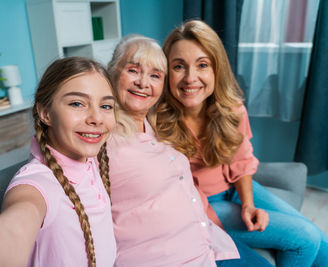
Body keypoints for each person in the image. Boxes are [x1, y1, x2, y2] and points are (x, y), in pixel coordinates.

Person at [156, 19, 328, 267]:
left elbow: (242, 162)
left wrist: (248, 204)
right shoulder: (157, 122)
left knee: (320, 242)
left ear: (217, 69)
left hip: (236, 188)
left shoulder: (231, 110)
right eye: (179, 66)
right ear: (166, 72)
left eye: (202, 65)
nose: (190, 77)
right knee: (305, 238)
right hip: (204, 204)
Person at [0, 54, 117, 266]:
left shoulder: (90, 158)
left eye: (106, 106)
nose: (97, 118)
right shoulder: (37, 186)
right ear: (45, 113)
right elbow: (5, 247)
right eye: (77, 103)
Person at [106, 34, 272, 267]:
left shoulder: (153, 127)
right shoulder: (102, 136)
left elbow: (236, 162)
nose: (143, 82)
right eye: (133, 70)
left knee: (306, 238)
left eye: (155, 75)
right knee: (303, 239)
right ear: (112, 72)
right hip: (171, 254)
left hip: (208, 237)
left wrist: (226, 221)